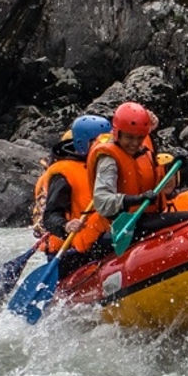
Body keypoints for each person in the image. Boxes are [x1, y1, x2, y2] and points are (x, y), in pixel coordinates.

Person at [89, 101, 188, 243]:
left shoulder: (142, 142)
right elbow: (102, 202)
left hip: (147, 216)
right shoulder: (108, 160)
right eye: (129, 138)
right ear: (117, 133)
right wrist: (136, 199)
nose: (135, 143)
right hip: (121, 225)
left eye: (139, 138)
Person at [39, 114, 115, 278]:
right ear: (83, 143)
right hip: (73, 247)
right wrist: (65, 226)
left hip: (103, 235)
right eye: (99, 141)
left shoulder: (109, 162)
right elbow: (50, 216)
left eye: (108, 140)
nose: (105, 145)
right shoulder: (63, 173)